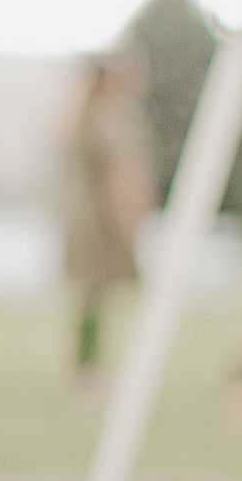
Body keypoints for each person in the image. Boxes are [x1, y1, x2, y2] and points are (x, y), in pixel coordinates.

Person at [55, 52, 157, 379]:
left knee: (94, 297)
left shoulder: (80, 118)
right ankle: (92, 367)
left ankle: (91, 366)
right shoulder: (106, 120)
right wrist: (133, 215)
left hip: (87, 217)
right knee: (96, 296)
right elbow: (119, 175)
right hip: (100, 220)